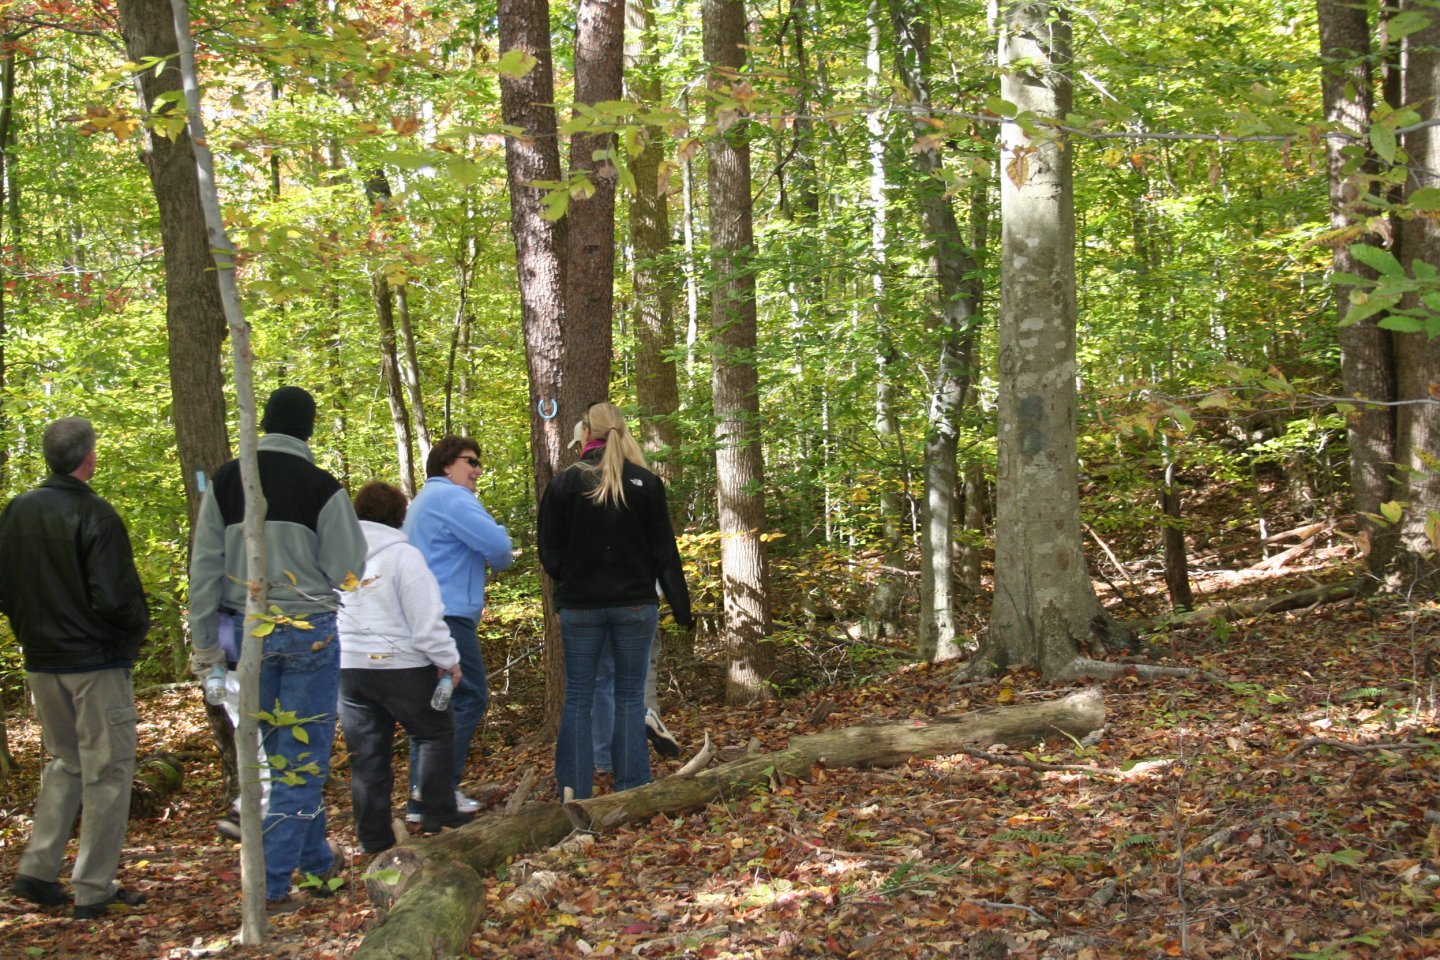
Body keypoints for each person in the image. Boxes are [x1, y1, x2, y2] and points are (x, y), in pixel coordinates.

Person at [188, 386, 366, 914]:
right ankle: (267, 887)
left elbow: (203, 570)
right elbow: (349, 573)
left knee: (283, 759)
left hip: (245, 634)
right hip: (308, 630)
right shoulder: (321, 487)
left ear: (264, 421)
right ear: (308, 430)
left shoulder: (227, 481)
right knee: (301, 764)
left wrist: (206, 649)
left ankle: (317, 864)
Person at [0, 417, 150, 920]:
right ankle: (92, 886)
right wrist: (129, 639)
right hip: (92, 664)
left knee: (66, 763)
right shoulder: (96, 515)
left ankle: (38, 871)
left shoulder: (16, 512)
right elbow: (116, 598)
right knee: (106, 772)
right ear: (88, 457)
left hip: (43, 663)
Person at [539, 402, 692, 801]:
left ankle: (574, 789)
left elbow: (549, 553)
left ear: (587, 432)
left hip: (580, 608)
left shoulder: (563, 484)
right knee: (628, 697)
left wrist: (573, 580)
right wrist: (681, 607)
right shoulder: (644, 483)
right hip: (634, 607)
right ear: (621, 432)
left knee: (579, 697)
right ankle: (632, 787)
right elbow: (664, 553)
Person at [338, 482, 470, 853]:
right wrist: (448, 661)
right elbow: (426, 618)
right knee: (433, 734)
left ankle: (373, 838)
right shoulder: (403, 556)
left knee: (366, 756)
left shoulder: (336, 556)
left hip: (349, 669)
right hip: (403, 667)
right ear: (400, 516)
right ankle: (438, 814)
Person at [402, 436, 513, 817]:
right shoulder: (451, 498)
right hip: (447, 617)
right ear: (447, 465)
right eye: (471, 461)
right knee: (467, 697)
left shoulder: (422, 502)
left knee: (437, 704)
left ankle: (422, 795)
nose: (478, 469)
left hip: (423, 616)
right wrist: (502, 550)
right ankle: (439, 791)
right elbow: (498, 548)